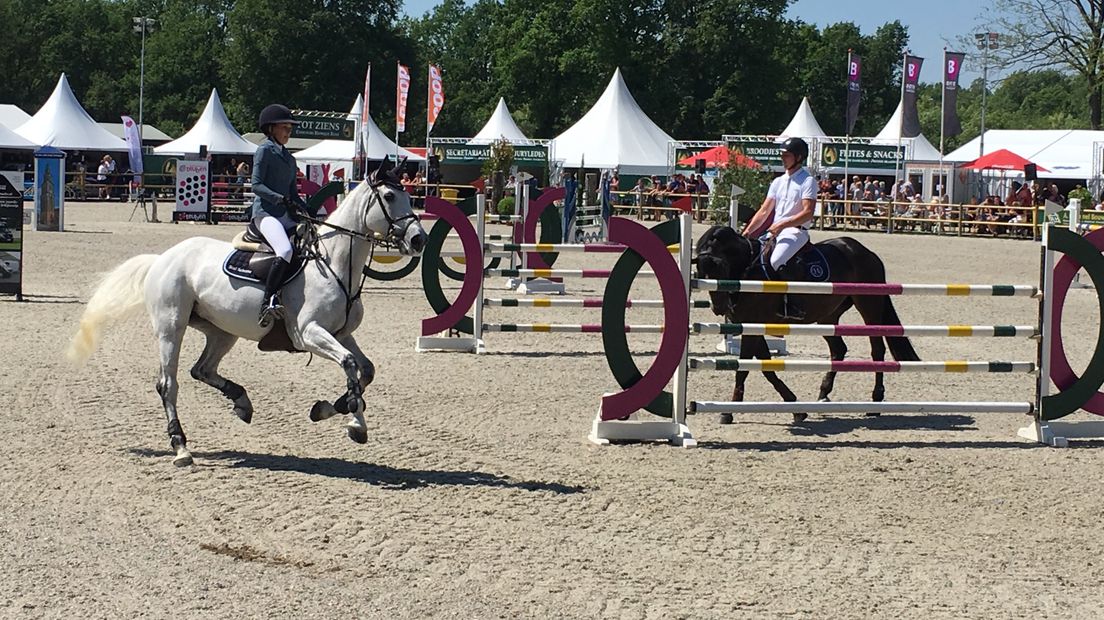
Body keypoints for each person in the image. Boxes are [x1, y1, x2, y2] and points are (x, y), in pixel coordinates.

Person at [251, 103, 318, 328]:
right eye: (285, 127)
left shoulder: (290, 159)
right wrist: (279, 199)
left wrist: (306, 209)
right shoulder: (264, 151)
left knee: (311, 244)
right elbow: (256, 185)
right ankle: (267, 301)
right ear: (271, 128)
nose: (289, 131)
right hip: (266, 214)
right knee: (285, 249)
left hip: (284, 214)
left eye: (291, 127)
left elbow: (293, 194)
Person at [742, 137, 816, 319]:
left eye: (786, 155)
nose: (782, 158)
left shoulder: (807, 181)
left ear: (798, 157)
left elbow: (808, 212)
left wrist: (783, 223)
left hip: (795, 231)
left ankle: (793, 304)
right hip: (775, 231)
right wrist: (747, 232)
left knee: (776, 260)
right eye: (782, 155)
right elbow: (764, 210)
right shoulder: (777, 182)